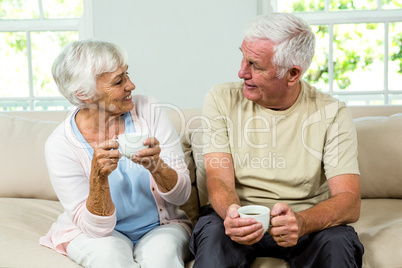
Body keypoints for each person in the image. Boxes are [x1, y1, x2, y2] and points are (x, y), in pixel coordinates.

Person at [189, 13, 364, 268]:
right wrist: (233, 215)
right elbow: (217, 178)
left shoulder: (332, 112)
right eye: (243, 57)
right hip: (237, 215)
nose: (241, 71)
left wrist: (302, 222)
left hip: (305, 222)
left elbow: (349, 199)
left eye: (255, 65)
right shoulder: (221, 98)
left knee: (338, 243)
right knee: (213, 237)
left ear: (292, 74)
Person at [39, 40, 192, 268]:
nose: (131, 85)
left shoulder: (149, 110)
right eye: (119, 81)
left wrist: (157, 167)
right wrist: (98, 178)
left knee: (162, 258)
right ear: (85, 95)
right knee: (109, 257)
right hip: (93, 233)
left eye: (126, 74)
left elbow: (181, 197)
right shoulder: (60, 145)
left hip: (160, 227)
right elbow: (96, 230)